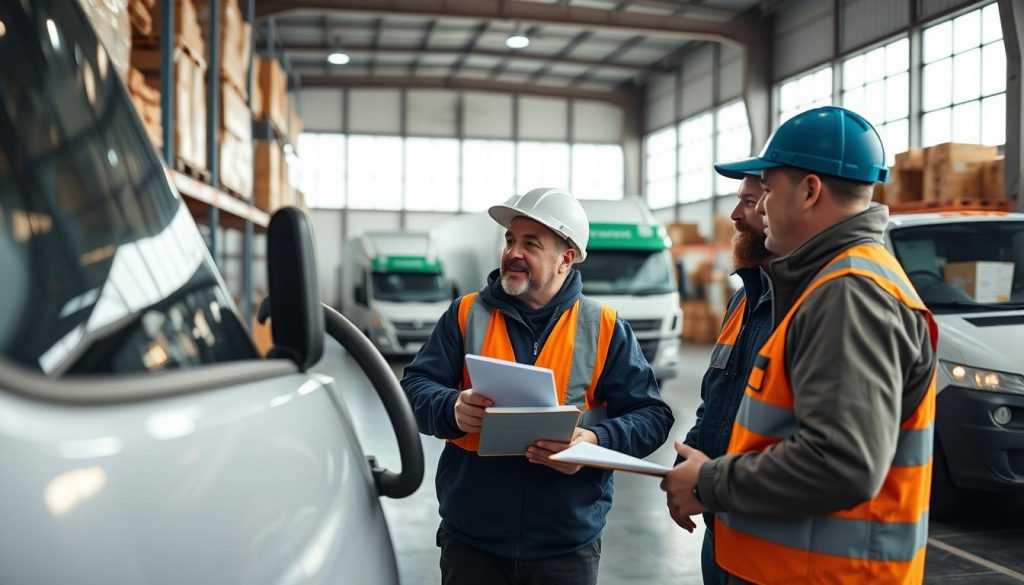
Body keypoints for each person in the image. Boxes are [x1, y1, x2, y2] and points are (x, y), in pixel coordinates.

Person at [660, 106, 938, 584]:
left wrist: (711, 482)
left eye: (767, 190)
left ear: (810, 191)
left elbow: (841, 463)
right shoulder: (826, 284)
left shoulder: (850, 293)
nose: (760, 206)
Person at [402, 187, 674, 585]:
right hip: (472, 541)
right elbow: (414, 387)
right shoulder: (465, 314)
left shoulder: (605, 327)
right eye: (511, 239)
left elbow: (653, 416)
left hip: (565, 547)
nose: (513, 252)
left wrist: (594, 443)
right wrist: (451, 407)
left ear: (566, 258)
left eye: (531, 243)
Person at [676, 173, 774, 585]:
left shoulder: (803, 305)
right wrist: (687, 463)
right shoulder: (743, 298)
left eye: (749, 203)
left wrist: (711, 481)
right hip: (719, 521)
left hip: (767, 530)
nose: (736, 215)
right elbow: (716, 396)